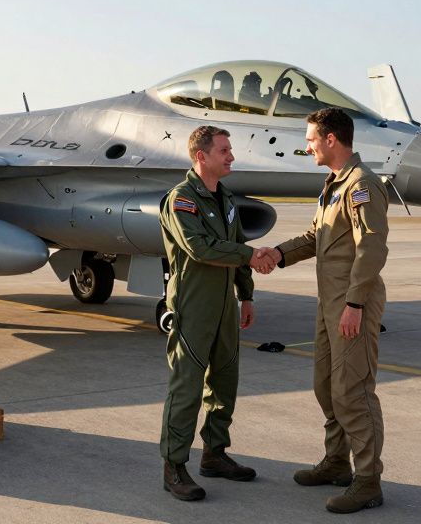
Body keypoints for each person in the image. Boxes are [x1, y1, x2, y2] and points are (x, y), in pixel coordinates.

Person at [269, 107, 390, 513]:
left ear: (331, 139)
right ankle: (337, 462)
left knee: (352, 390)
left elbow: (372, 247)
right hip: (330, 303)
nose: (307, 146)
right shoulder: (333, 185)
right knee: (325, 385)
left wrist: (355, 303)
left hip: (353, 302)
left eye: (311, 139)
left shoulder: (362, 185)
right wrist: (277, 254)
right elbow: (315, 237)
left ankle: (368, 480)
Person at [158, 125, 278, 501]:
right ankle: (174, 466)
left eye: (230, 149)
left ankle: (214, 454)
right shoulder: (181, 200)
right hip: (193, 305)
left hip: (225, 304)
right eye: (224, 150)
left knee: (225, 381)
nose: (231, 156)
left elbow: (237, 243)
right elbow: (199, 247)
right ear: (201, 156)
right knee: (187, 388)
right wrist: (249, 257)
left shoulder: (225, 197)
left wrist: (247, 294)